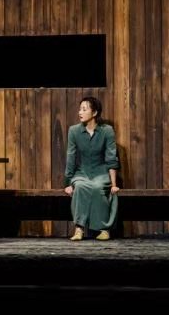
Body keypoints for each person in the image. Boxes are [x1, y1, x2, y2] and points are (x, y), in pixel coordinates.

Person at [64, 96, 120, 241]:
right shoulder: (74, 131)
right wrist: (68, 183)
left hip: (101, 173)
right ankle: (79, 228)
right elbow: (70, 157)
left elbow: (111, 157)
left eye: (84, 109)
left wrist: (114, 184)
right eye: (80, 109)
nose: (80, 112)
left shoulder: (107, 131)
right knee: (80, 187)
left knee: (97, 188)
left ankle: (104, 229)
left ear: (94, 113)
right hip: (82, 173)